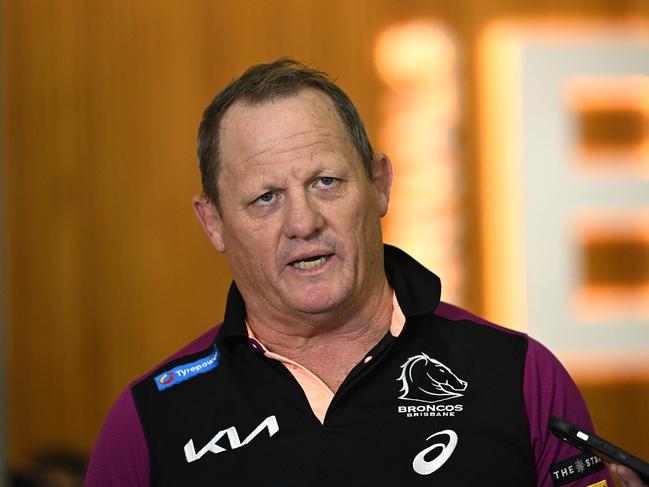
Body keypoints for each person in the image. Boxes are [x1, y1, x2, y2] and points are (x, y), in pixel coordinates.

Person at [85, 58, 642, 486]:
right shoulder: (148, 424)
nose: (302, 222)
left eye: (326, 182)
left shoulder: (522, 379)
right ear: (214, 223)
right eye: (265, 198)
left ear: (378, 184)